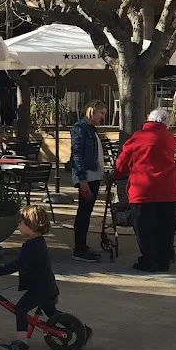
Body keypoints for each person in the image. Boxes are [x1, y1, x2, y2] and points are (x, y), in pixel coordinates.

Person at [0, 205, 66, 350]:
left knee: (20, 309)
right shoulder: (39, 242)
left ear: (30, 224)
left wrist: (1, 270)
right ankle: (81, 329)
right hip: (47, 286)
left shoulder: (31, 246)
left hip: (40, 289)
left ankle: (21, 344)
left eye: (20, 223)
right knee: (53, 315)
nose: (18, 226)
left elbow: (19, 263)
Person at [115, 108, 176, 272]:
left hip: (144, 189)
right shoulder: (170, 139)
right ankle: (163, 260)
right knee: (166, 227)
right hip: (169, 189)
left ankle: (148, 260)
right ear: (166, 123)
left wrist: (119, 173)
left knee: (145, 227)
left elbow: (122, 163)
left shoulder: (137, 138)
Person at [70, 99, 107, 263]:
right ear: (92, 111)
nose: (103, 117)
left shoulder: (91, 129)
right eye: (102, 113)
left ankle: (82, 246)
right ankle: (79, 248)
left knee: (86, 212)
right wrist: (82, 179)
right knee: (84, 212)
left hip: (93, 175)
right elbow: (77, 153)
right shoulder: (80, 128)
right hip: (87, 176)